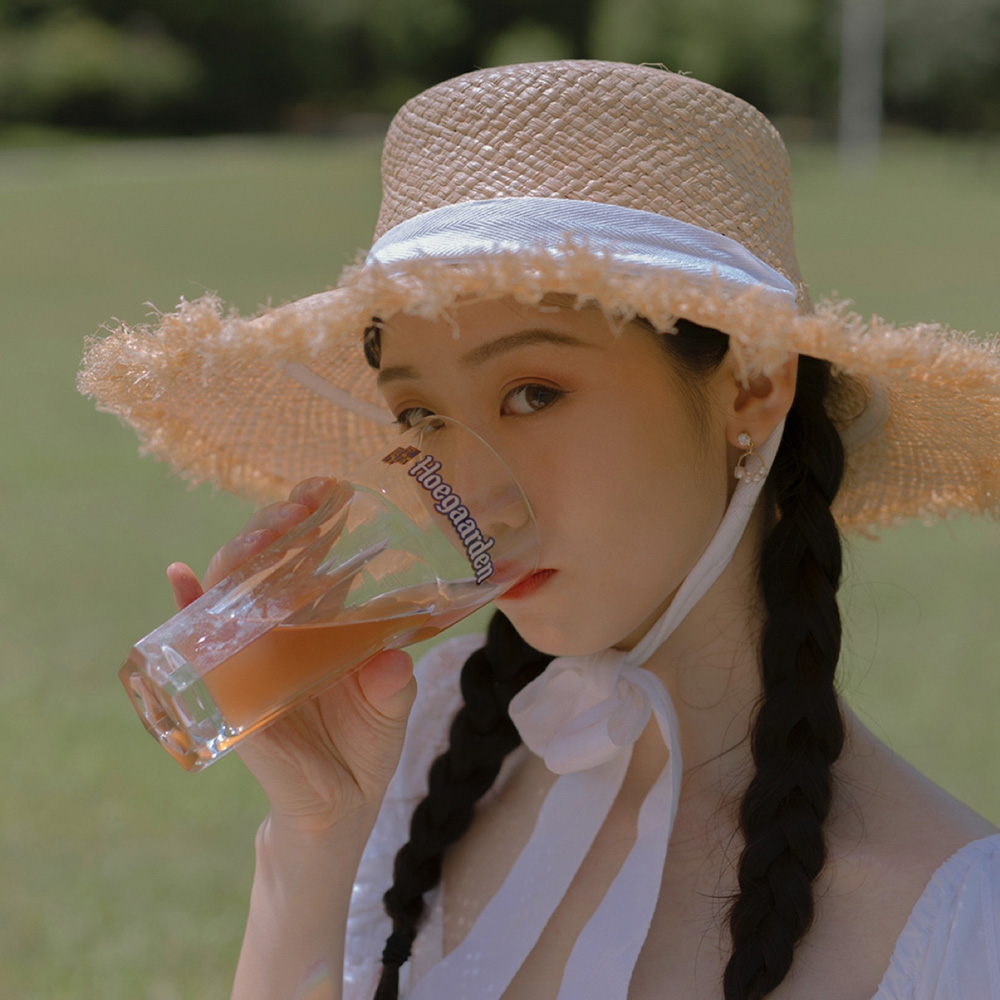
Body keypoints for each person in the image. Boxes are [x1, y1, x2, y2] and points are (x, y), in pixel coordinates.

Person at [78, 61, 1000, 1000]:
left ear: (754, 383)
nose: (470, 495)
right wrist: (312, 836)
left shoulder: (953, 925)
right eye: (420, 418)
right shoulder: (419, 754)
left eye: (532, 394)